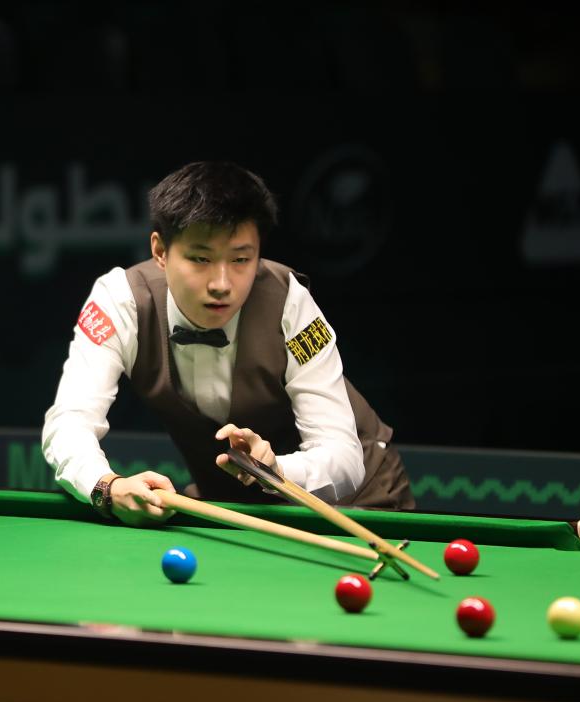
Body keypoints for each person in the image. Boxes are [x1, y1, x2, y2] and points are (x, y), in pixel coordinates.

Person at [42, 161, 413, 526]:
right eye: (201, 258)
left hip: (358, 507)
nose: (221, 283)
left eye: (240, 259)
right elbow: (70, 421)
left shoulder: (290, 303)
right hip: (233, 508)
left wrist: (276, 469)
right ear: (160, 251)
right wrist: (107, 487)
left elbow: (344, 458)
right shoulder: (120, 301)